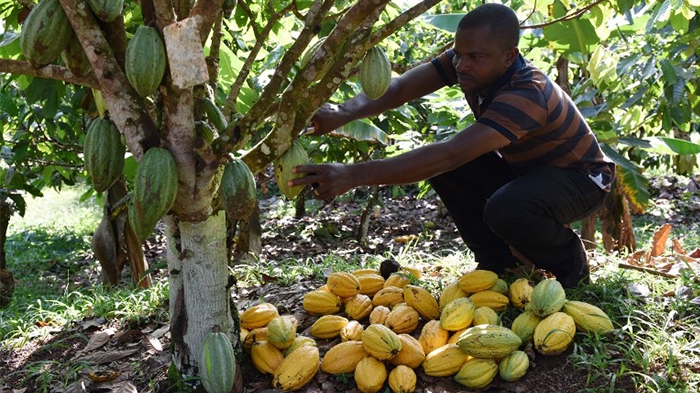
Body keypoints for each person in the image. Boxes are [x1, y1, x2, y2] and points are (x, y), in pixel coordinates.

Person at [289, 3, 615, 288]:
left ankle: (570, 267)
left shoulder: (527, 93)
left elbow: (450, 154)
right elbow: (402, 87)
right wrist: (341, 113)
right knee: (452, 171)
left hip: (583, 179)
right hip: (531, 172)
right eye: (458, 53)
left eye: (474, 57)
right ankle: (500, 264)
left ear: (509, 56)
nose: (461, 65)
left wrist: (353, 175)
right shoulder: (471, 64)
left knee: (502, 203)